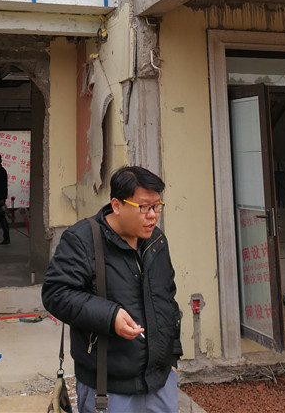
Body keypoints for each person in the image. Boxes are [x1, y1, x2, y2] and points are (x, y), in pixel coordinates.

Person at [42, 165, 182, 413]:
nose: (152, 216)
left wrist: (173, 357)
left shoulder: (157, 241)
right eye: (144, 207)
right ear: (117, 205)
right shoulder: (82, 239)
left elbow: (167, 298)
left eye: (156, 206)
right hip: (107, 385)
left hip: (160, 382)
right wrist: (110, 316)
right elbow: (56, 293)